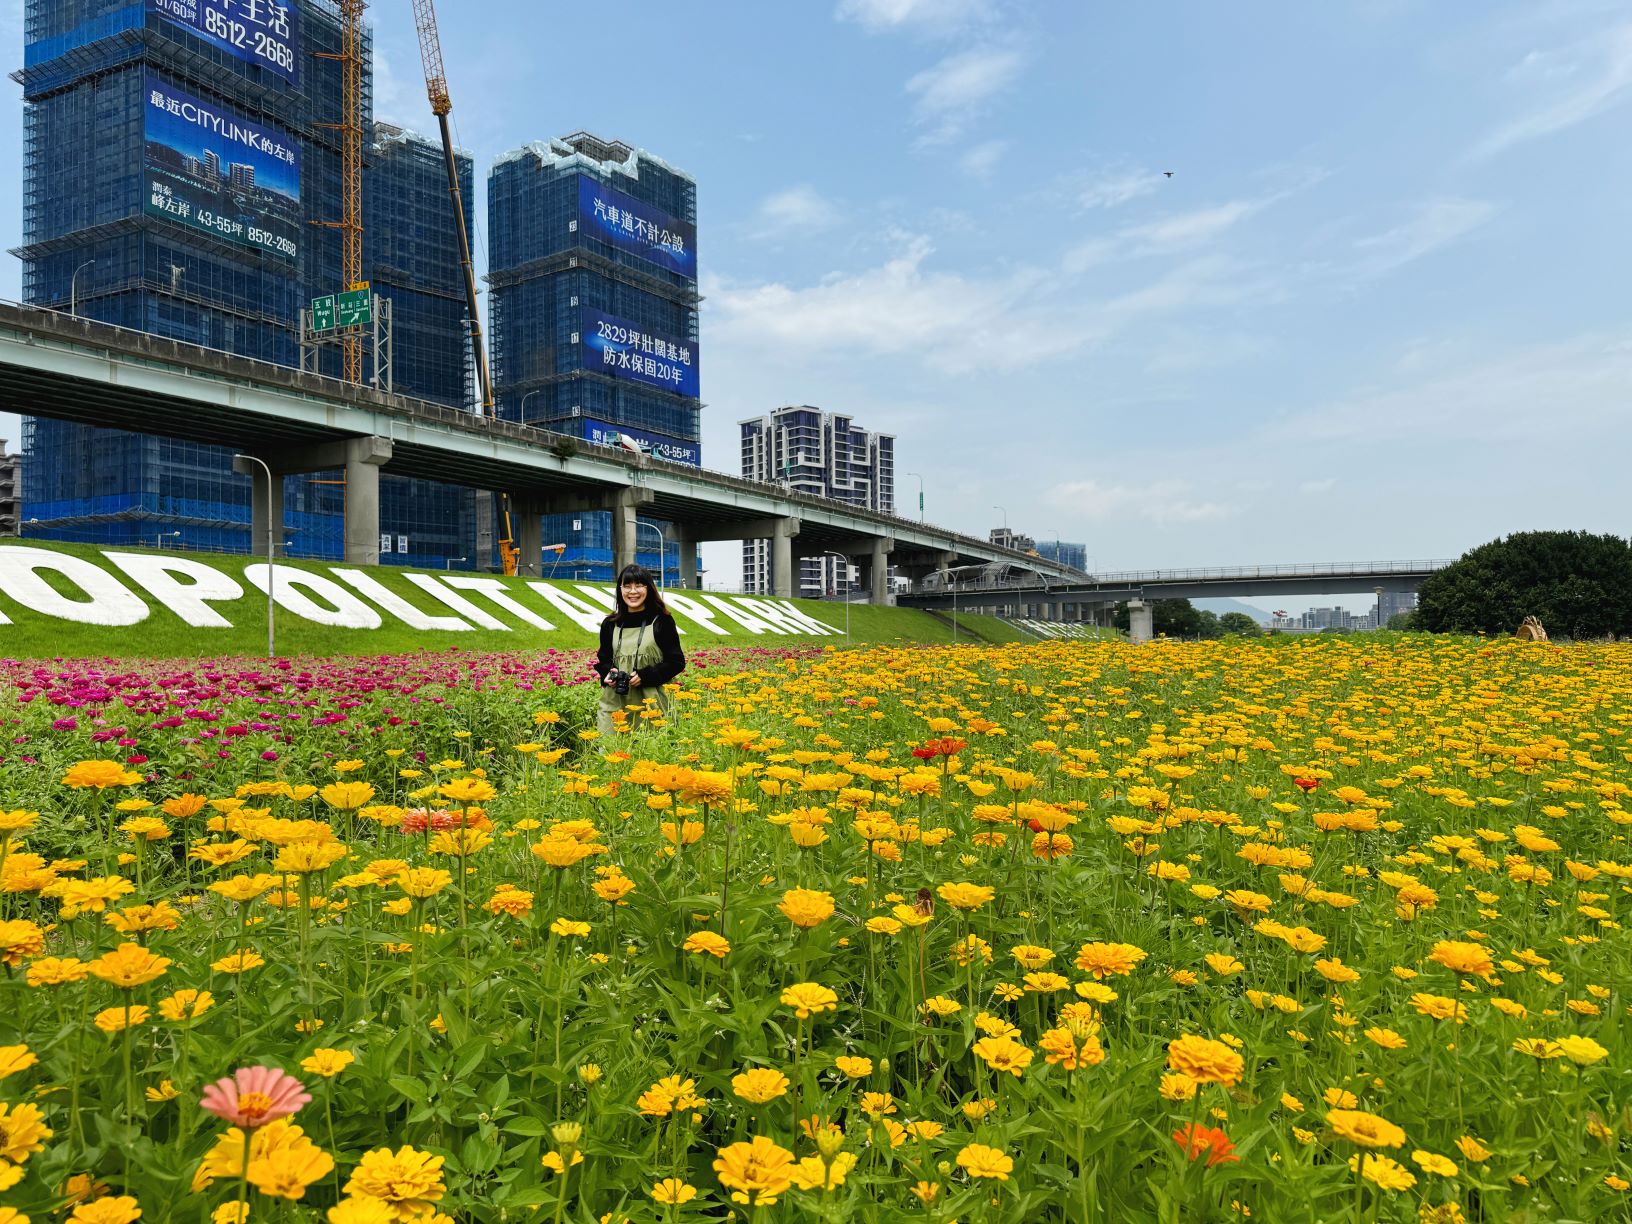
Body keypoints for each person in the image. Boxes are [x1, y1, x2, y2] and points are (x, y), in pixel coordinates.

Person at [594, 564, 686, 739]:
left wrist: (646, 675)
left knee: (651, 753)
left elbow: (676, 662)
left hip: (652, 701)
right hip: (615, 699)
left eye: (639, 585)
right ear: (620, 589)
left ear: (648, 588)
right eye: (627, 586)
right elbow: (603, 658)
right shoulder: (610, 623)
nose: (632, 591)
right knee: (609, 750)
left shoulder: (662, 621)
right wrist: (607, 673)